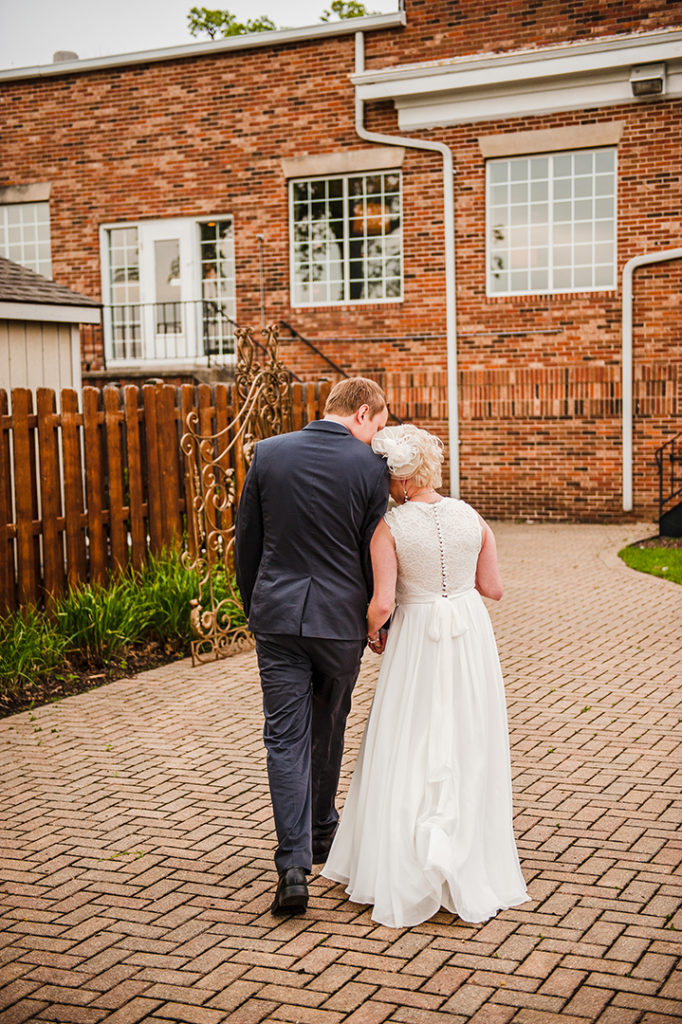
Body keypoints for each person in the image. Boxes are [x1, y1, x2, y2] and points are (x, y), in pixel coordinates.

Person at [322, 424, 529, 927]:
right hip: (467, 637)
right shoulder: (471, 517)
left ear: (402, 480)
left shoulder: (389, 528)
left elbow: (383, 603)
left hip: (416, 639)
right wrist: (457, 589)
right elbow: (494, 588)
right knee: (464, 738)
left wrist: (373, 632)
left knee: (410, 737)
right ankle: (465, 855)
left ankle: (407, 861)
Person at [234, 377, 389, 915]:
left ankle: (294, 864)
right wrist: (377, 618)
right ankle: (321, 828)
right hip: (340, 621)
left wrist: (257, 605)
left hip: (276, 616)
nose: (377, 437)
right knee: (328, 725)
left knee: (283, 737)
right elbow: (375, 551)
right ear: (364, 412)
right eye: (380, 427)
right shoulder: (370, 468)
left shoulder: (269, 453)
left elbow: (246, 542)